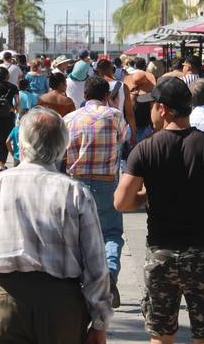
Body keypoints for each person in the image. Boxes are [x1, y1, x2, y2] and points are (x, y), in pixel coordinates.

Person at [114, 77, 204, 343]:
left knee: (161, 335)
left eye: (153, 106)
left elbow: (121, 202)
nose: (151, 112)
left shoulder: (145, 150)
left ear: (163, 109)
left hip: (161, 254)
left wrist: (147, 195)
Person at [0, 107, 112, 343]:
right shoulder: (75, 193)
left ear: (22, 144)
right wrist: (100, 321)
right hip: (61, 306)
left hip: (4, 304)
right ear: (63, 146)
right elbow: (96, 263)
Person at [64, 76, 128, 309]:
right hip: (107, 183)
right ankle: (110, 273)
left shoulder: (69, 119)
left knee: (77, 234)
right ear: (105, 96)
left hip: (76, 183)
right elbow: (123, 139)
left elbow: (63, 150)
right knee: (111, 233)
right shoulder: (115, 116)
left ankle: (81, 282)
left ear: (84, 95)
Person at [96, 59, 137, 146]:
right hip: (118, 130)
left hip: (99, 129)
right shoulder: (123, 86)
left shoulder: (94, 86)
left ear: (98, 71)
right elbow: (130, 114)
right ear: (112, 69)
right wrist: (133, 134)